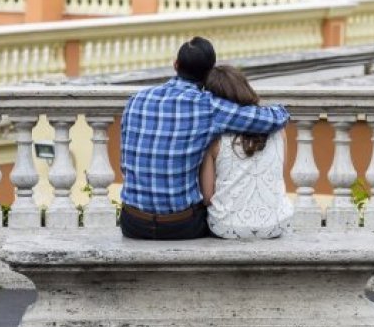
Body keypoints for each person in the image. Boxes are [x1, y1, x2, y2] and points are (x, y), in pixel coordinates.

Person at [119, 37, 289, 240]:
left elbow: (124, 165)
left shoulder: (136, 100)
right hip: (180, 226)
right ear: (210, 72)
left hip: (133, 223)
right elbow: (273, 118)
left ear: (176, 64)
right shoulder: (208, 106)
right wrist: (282, 111)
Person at [200, 65, 294, 239]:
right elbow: (280, 174)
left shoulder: (215, 138)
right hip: (276, 224)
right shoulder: (278, 130)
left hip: (226, 227)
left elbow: (207, 196)